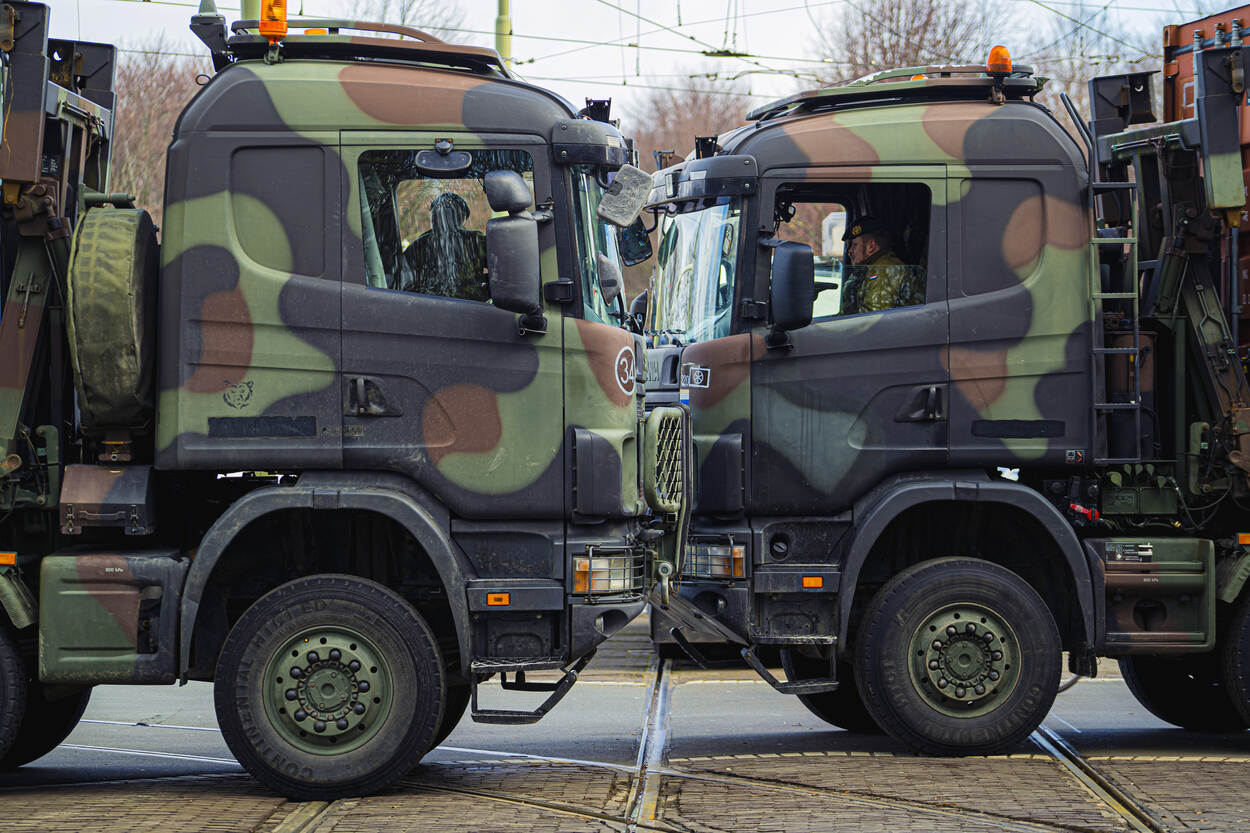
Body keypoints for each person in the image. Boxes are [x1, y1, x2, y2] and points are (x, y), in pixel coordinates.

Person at [403, 191, 489, 301]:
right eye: (438, 212)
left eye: (448, 212)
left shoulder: (417, 246)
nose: (443, 216)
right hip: (466, 307)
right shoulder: (474, 240)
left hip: (428, 307)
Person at [840, 216, 924, 314]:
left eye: (854, 245)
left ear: (871, 246)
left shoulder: (886, 269)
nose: (849, 251)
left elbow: (873, 318)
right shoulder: (866, 269)